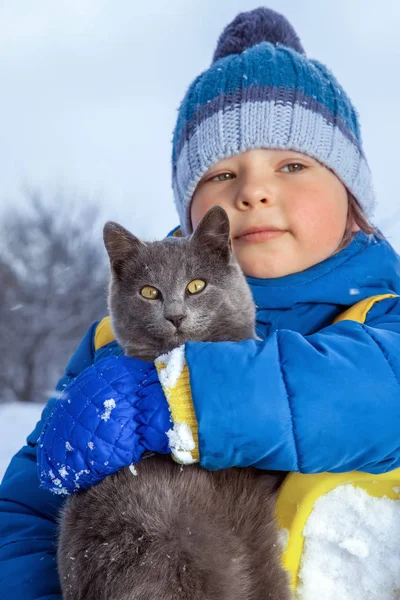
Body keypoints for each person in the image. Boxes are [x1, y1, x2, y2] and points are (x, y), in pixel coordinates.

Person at [1, 7, 400, 598]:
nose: (254, 191)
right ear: (193, 210)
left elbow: (373, 395)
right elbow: (26, 510)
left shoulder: (382, 313)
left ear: (352, 193)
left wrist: (177, 396)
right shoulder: (115, 344)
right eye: (221, 175)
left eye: (292, 165)